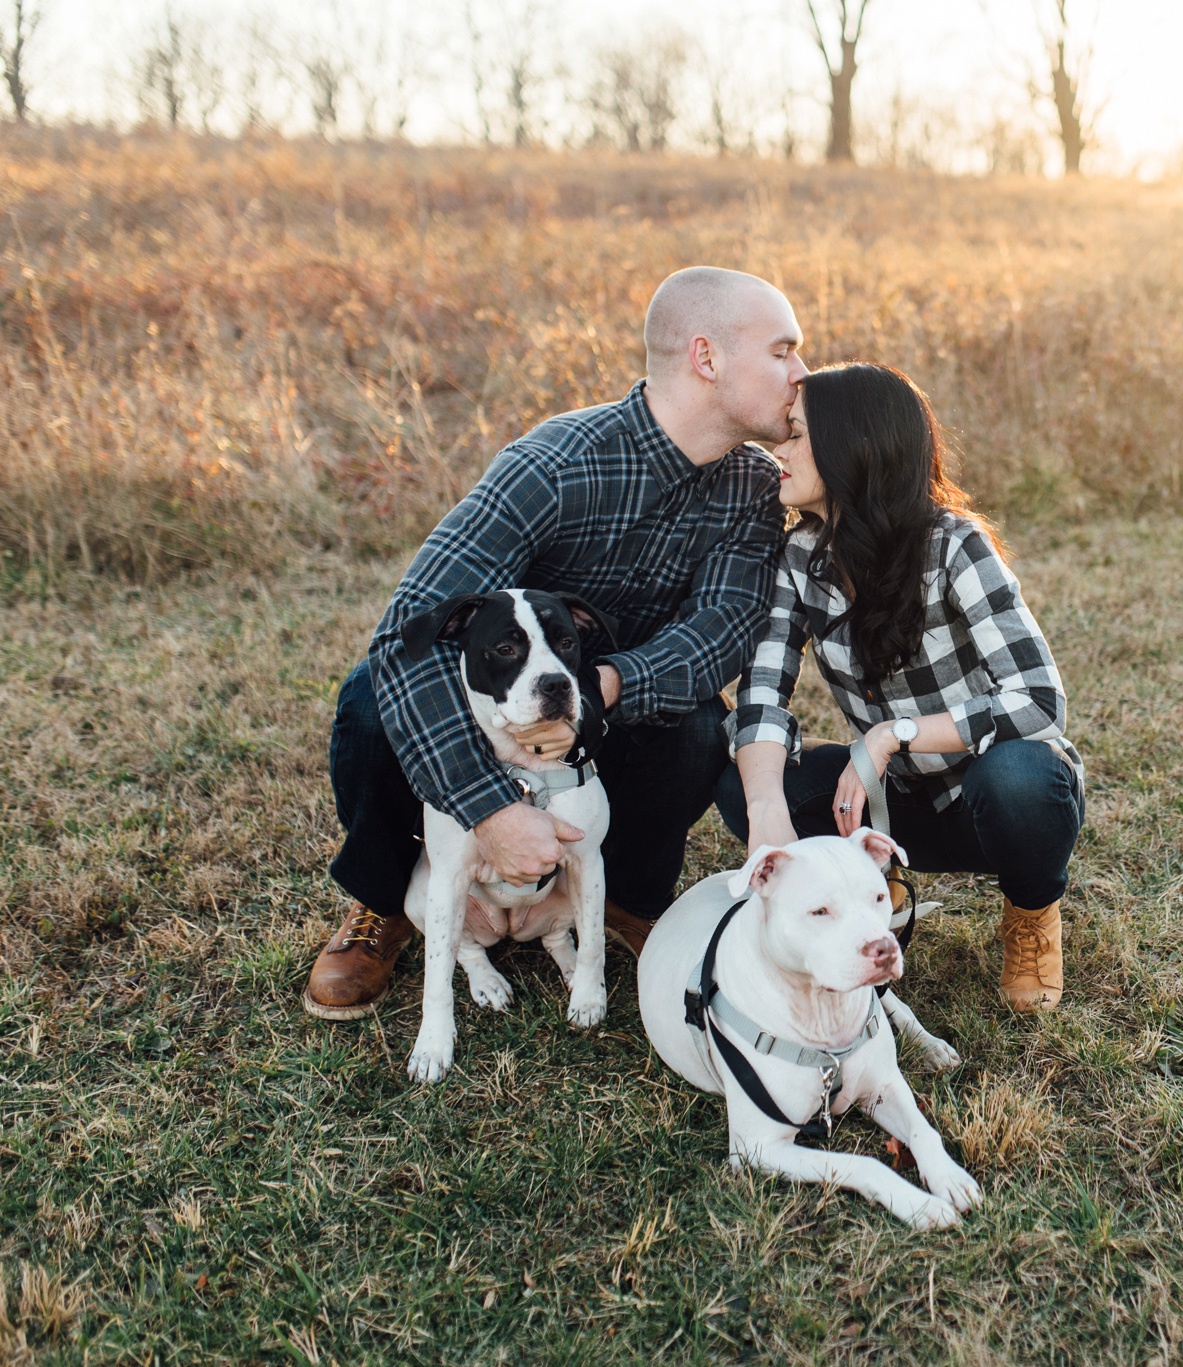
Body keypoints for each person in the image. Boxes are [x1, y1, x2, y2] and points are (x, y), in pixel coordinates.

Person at [304, 267, 805, 1021]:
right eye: (782, 351)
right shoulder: (555, 462)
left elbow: (718, 633)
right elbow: (412, 627)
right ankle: (381, 902)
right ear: (706, 357)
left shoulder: (754, 489)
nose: (802, 374)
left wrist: (606, 684)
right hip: (500, 712)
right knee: (377, 693)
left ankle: (627, 900)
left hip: (611, 710)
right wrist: (487, 809)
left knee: (700, 720)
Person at [715, 363, 1085, 1014]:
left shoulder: (954, 544)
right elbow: (763, 696)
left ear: (851, 445)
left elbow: (1038, 701)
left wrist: (892, 734)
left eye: (798, 435)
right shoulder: (800, 556)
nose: (780, 449)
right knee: (748, 782)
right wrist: (767, 806)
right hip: (889, 808)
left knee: (1024, 777)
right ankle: (864, 894)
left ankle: (1031, 914)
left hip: (987, 798)